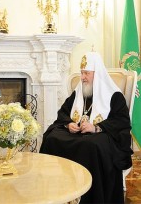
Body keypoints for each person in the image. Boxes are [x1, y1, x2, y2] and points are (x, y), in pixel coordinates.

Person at [39, 52, 133, 204]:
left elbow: (121, 122)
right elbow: (63, 112)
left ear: (97, 74)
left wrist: (96, 127)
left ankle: (89, 197)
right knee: (51, 137)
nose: (82, 77)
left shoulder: (114, 95)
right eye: (82, 73)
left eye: (86, 73)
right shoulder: (79, 92)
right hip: (76, 133)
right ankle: (57, 191)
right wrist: (69, 123)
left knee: (91, 145)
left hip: (100, 135)